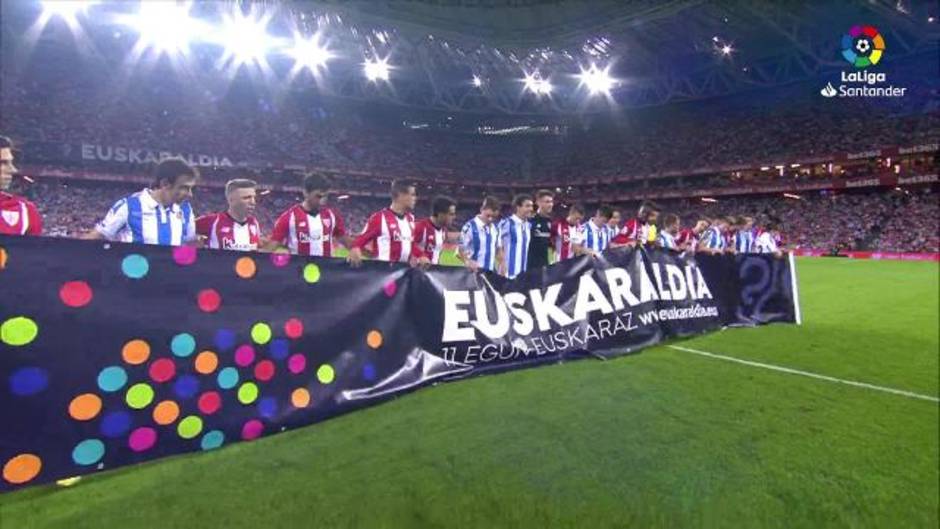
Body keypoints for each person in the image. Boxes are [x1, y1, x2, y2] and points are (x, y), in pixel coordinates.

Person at [86, 158, 197, 245]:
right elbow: (98, 236)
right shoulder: (129, 206)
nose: (190, 194)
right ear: (165, 184)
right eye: (184, 188)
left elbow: (190, 243)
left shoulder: (185, 209)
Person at [347, 180, 429, 267]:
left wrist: (422, 255)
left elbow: (409, 244)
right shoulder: (379, 218)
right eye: (412, 195)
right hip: (384, 273)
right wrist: (355, 248)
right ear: (400, 195)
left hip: (403, 273)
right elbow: (361, 239)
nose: (415, 198)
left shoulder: (410, 219)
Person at [271, 173, 351, 256]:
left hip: (325, 268)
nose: (322, 201)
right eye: (318, 196)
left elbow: (345, 240)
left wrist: (357, 248)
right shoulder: (288, 217)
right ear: (306, 193)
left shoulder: (332, 215)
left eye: (325, 196)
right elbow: (271, 248)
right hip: (299, 268)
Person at [195, 179, 262, 251]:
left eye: (254, 197)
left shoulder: (254, 223)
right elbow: (185, 232)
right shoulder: (213, 221)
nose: (253, 202)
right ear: (231, 200)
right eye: (246, 198)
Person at [0, 135, 42, 236]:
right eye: (3, 163)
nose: (13, 170)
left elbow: (32, 251)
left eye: (11, 162)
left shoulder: (25, 210)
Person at [458, 196, 500, 273]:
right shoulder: (469, 226)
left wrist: (502, 264)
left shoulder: (495, 229)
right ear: (481, 210)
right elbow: (459, 250)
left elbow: (497, 249)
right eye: (488, 216)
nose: (490, 219)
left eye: (493, 217)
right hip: (473, 274)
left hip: (490, 273)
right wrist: (468, 261)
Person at [413, 195, 457, 265]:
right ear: (440, 214)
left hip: (433, 273)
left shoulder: (443, 231)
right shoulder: (421, 227)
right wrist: (420, 255)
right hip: (417, 272)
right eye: (451, 214)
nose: (454, 217)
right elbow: (408, 244)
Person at [498, 194, 533, 279]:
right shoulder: (506, 223)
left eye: (531, 206)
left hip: (523, 274)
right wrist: (502, 263)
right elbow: (497, 245)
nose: (531, 209)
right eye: (527, 206)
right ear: (518, 207)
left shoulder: (528, 225)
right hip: (508, 273)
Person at [527, 189, 554, 270]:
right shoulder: (530, 222)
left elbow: (551, 244)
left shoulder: (551, 222)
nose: (550, 204)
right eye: (547, 202)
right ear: (538, 202)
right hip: (530, 267)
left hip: (544, 267)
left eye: (551, 201)